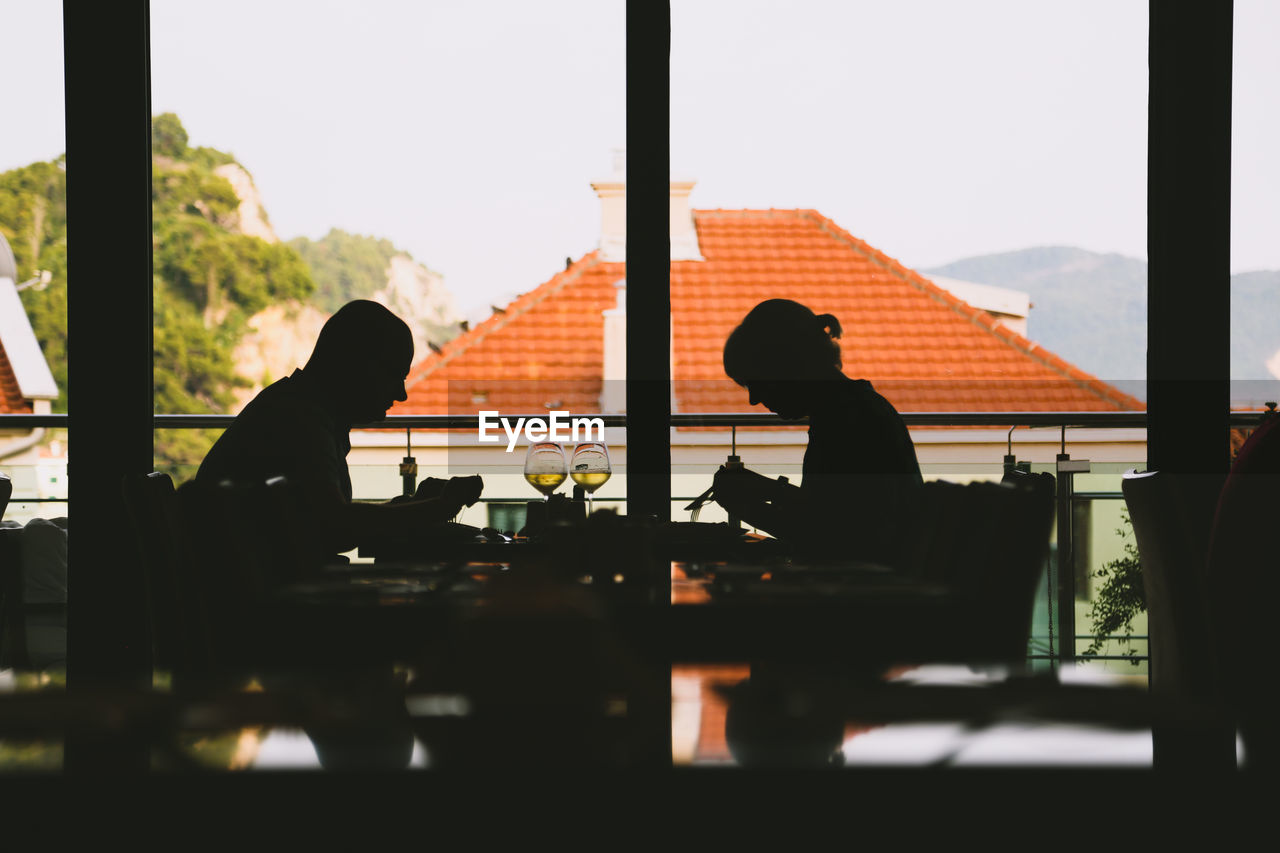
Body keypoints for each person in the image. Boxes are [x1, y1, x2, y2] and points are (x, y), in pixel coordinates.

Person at [197, 299, 482, 562]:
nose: (402, 393)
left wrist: (415, 505)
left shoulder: (297, 407)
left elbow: (322, 516)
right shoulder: (299, 419)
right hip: (265, 606)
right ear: (357, 363)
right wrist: (437, 508)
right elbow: (337, 527)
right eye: (395, 375)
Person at [711, 299, 922, 564]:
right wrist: (764, 490)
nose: (754, 399)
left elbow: (832, 536)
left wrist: (748, 507)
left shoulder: (846, 420)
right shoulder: (856, 409)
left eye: (758, 382)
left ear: (788, 366)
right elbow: (834, 511)